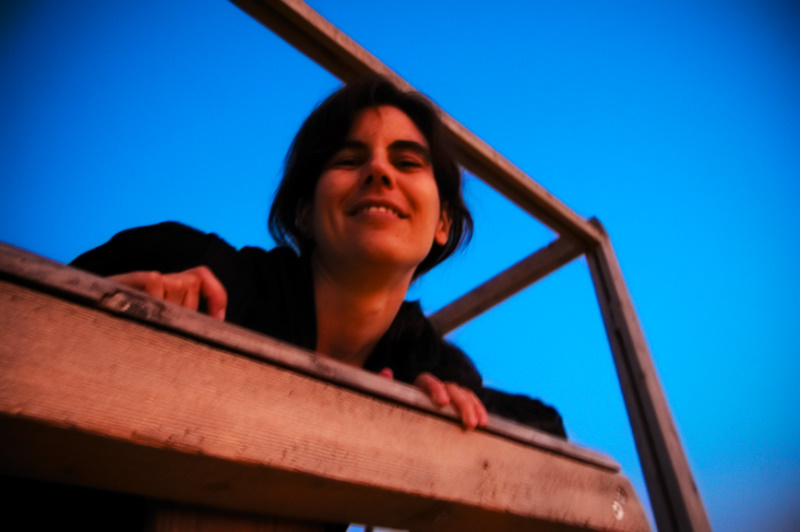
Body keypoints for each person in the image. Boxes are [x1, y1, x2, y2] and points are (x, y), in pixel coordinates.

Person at [73, 76, 489, 429]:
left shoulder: (427, 363)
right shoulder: (187, 265)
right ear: (305, 213)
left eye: (408, 163)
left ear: (443, 223)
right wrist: (95, 315)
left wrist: (455, 407)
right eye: (348, 160)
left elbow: (525, 415)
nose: (378, 170)